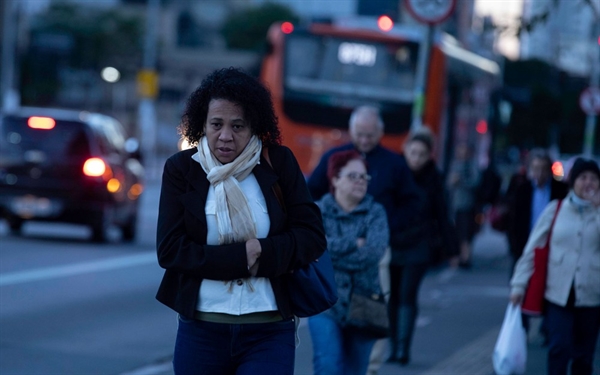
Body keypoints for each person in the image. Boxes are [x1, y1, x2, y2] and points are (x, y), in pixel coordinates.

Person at [155, 67, 327, 375]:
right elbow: (170, 249)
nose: (225, 136)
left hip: (269, 330)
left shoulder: (280, 163)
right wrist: (240, 257)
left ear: (254, 128)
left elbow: (311, 236)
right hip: (202, 330)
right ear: (201, 125)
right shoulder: (182, 170)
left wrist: (262, 251)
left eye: (238, 126)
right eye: (216, 124)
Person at [509, 157, 600, 375]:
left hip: (592, 294)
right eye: (583, 178)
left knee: (584, 356)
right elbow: (533, 249)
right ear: (573, 181)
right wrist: (518, 285)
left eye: (594, 179)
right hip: (558, 293)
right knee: (559, 348)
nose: (588, 183)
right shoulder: (556, 209)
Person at [308, 149, 389, 375]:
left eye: (364, 177)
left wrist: (332, 250)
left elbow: (373, 253)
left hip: (365, 303)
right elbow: (314, 249)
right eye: (353, 176)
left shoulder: (375, 212)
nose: (360, 182)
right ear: (335, 179)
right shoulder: (318, 211)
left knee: (356, 370)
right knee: (327, 365)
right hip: (324, 300)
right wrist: (355, 243)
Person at [385, 127, 459, 365]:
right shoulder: (394, 172)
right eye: (412, 152)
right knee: (392, 295)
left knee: (407, 294)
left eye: (422, 154)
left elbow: (443, 213)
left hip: (419, 245)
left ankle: (403, 349)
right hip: (392, 241)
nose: (416, 158)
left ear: (429, 156)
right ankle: (392, 345)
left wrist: (452, 248)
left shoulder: (434, 179)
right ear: (405, 150)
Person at [506, 148, 568, 273]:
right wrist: (514, 246)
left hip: (552, 244)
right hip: (525, 243)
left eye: (543, 168)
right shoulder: (522, 190)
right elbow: (512, 219)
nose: (539, 173)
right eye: (536, 168)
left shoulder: (560, 190)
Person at [446, 142, 480, 268]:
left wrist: (461, 181)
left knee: (466, 232)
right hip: (456, 204)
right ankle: (458, 256)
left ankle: (466, 257)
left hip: (467, 204)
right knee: (457, 232)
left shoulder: (472, 165)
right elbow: (449, 183)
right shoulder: (455, 165)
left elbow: (476, 182)